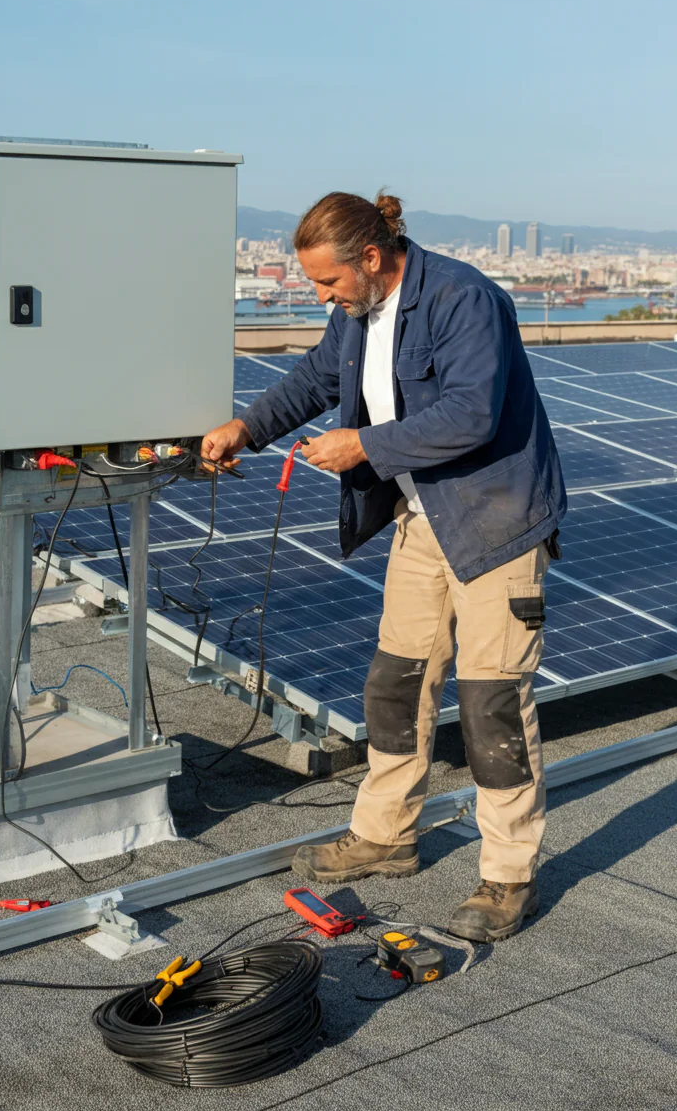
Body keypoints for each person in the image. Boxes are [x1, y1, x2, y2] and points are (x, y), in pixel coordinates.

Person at [202, 191, 567, 942]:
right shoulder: (357, 312)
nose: (321, 298)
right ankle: (386, 834)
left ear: (371, 258)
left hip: (494, 522)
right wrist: (247, 427)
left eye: (328, 283)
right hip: (421, 520)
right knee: (396, 685)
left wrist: (364, 447)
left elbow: (472, 414)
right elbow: (313, 381)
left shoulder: (464, 299)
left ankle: (508, 876)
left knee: (492, 703)